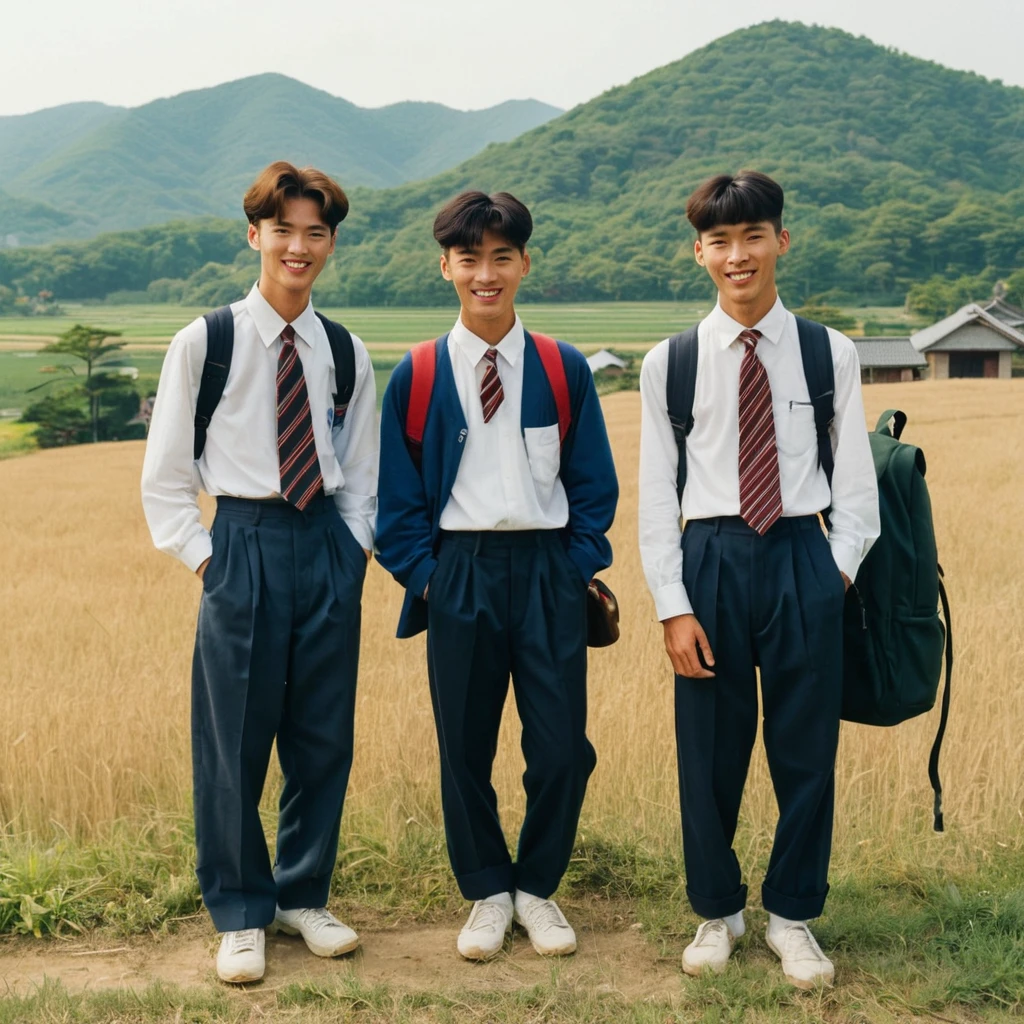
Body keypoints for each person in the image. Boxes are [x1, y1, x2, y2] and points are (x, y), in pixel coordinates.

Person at [638, 171, 879, 989]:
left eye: (752, 237)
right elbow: (653, 500)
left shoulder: (827, 351)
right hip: (707, 559)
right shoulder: (669, 363)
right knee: (707, 750)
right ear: (698, 251)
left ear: (782, 239)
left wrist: (832, 573)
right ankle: (717, 911)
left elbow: (855, 488)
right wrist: (672, 606)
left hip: (802, 558)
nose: (736, 256)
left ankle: (793, 916)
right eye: (719, 241)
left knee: (805, 749)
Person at [141, 161, 378, 984]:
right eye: (284, 230)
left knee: (321, 736)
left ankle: (301, 893)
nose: (298, 246)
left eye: (315, 233)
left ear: (331, 244)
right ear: (255, 235)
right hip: (239, 540)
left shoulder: (345, 351)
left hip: (325, 545)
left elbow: (364, 473)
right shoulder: (205, 342)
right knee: (232, 740)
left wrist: (351, 556)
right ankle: (240, 910)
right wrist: (213, 564)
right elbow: (166, 481)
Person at [375, 191, 618, 961]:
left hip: (548, 572)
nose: (486, 273)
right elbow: (397, 505)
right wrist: (431, 580)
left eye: (501, 257)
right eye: (470, 258)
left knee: (558, 749)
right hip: (459, 573)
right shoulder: (416, 375)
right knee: (465, 747)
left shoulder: (561, 365)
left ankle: (537, 887)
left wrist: (573, 566)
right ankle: (486, 890)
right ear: (445, 265)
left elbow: (595, 489)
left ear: (524, 263)